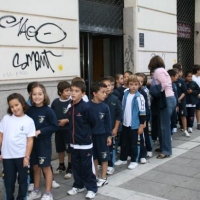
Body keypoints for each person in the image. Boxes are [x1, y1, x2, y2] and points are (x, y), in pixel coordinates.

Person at [0, 93, 35, 200]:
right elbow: (1, 136)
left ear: (22, 104)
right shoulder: (6, 119)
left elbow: (30, 140)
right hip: (7, 157)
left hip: (22, 157)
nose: (15, 108)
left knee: (23, 181)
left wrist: (26, 157)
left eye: (17, 105)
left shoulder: (29, 121)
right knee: (8, 181)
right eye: (12, 106)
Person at [26, 83, 59, 200]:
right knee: (35, 167)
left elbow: (55, 126)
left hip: (44, 144)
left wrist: (40, 131)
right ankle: (36, 190)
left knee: (45, 167)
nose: (37, 96)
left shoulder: (48, 111)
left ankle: (48, 192)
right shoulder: (28, 110)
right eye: (34, 94)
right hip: (32, 144)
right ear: (31, 95)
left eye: (39, 94)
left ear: (44, 95)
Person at [67, 81, 97, 199]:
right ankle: (78, 185)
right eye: (72, 90)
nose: (73, 93)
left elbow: (93, 122)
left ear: (83, 93)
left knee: (87, 167)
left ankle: (92, 188)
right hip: (73, 143)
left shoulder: (86, 107)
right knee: (76, 166)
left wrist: (86, 134)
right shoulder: (70, 105)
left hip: (85, 143)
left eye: (76, 91)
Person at [115, 75, 146, 169]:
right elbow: (123, 107)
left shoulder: (139, 97)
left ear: (139, 85)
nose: (133, 86)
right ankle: (123, 158)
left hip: (135, 125)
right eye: (131, 84)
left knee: (134, 143)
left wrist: (141, 125)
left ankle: (134, 160)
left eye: (136, 84)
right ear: (127, 85)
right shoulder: (125, 94)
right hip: (125, 123)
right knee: (125, 142)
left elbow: (142, 112)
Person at [149, 56, 176, 158]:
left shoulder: (158, 71)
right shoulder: (163, 70)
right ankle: (163, 147)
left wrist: (156, 90)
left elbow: (164, 84)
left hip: (165, 99)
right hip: (169, 98)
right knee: (162, 125)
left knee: (164, 127)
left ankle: (166, 150)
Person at [88, 82, 112, 187]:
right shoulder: (87, 106)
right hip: (91, 136)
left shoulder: (105, 107)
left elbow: (108, 123)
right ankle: (95, 176)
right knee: (94, 157)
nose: (105, 95)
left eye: (105, 93)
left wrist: (109, 136)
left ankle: (103, 177)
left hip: (102, 136)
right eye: (102, 92)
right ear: (94, 93)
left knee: (104, 156)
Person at [99, 77, 122, 175]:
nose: (108, 88)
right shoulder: (100, 99)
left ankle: (110, 165)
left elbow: (119, 115)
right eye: (105, 86)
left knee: (111, 148)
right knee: (101, 146)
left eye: (109, 85)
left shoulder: (115, 99)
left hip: (112, 128)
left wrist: (116, 128)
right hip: (101, 129)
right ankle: (101, 162)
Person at [51, 81, 72, 179]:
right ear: (60, 92)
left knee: (69, 149)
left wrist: (66, 120)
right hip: (58, 130)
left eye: (70, 90)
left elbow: (75, 116)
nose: (69, 93)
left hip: (68, 130)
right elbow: (52, 114)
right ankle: (61, 165)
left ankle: (70, 167)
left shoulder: (71, 102)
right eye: (66, 91)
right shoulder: (55, 102)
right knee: (60, 148)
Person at [135, 72, 151, 159]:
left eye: (141, 81)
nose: (139, 83)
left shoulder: (143, 93)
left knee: (143, 137)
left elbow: (146, 108)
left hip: (142, 119)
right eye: (138, 81)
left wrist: (145, 120)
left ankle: (144, 153)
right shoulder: (128, 92)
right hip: (133, 119)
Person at [173, 63, 190, 137]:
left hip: (181, 100)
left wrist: (179, 98)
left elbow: (184, 91)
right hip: (173, 101)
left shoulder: (182, 81)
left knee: (183, 115)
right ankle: (172, 129)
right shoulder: (172, 81)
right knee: (173, 116)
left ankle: (185, 129)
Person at [167, 69, 179, 135]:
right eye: (176, 76)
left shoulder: (174, 84)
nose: (177, 77)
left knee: (173, 119)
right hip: (169, 105)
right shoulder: (168, 85)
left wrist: (177, 105)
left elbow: (176, 95)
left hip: (174, 105)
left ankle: (171, 131)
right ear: (171, 76)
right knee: (168, 120)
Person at [192, 65, 200, 130]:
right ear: (197, 70)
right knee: (193, 110)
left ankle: (198, 123)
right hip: (194, 95)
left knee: (198, 109)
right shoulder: (192, 77)